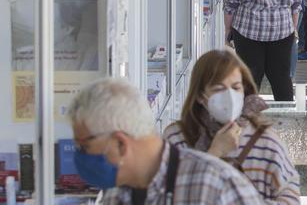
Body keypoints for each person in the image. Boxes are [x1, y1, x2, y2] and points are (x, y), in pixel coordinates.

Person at [70, 78, 263, 203]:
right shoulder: (115, 196)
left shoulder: (219, 188)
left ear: (121, 144)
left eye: (84, 146)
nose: (77, 155)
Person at [163, 50, 300, 204]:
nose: (229, 96)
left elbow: (289, 194)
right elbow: (167, 194)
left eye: (236, 88)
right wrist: (215, 153)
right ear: (201, 96)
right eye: (218, 89)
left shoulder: (265, 140)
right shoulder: (177, 137)